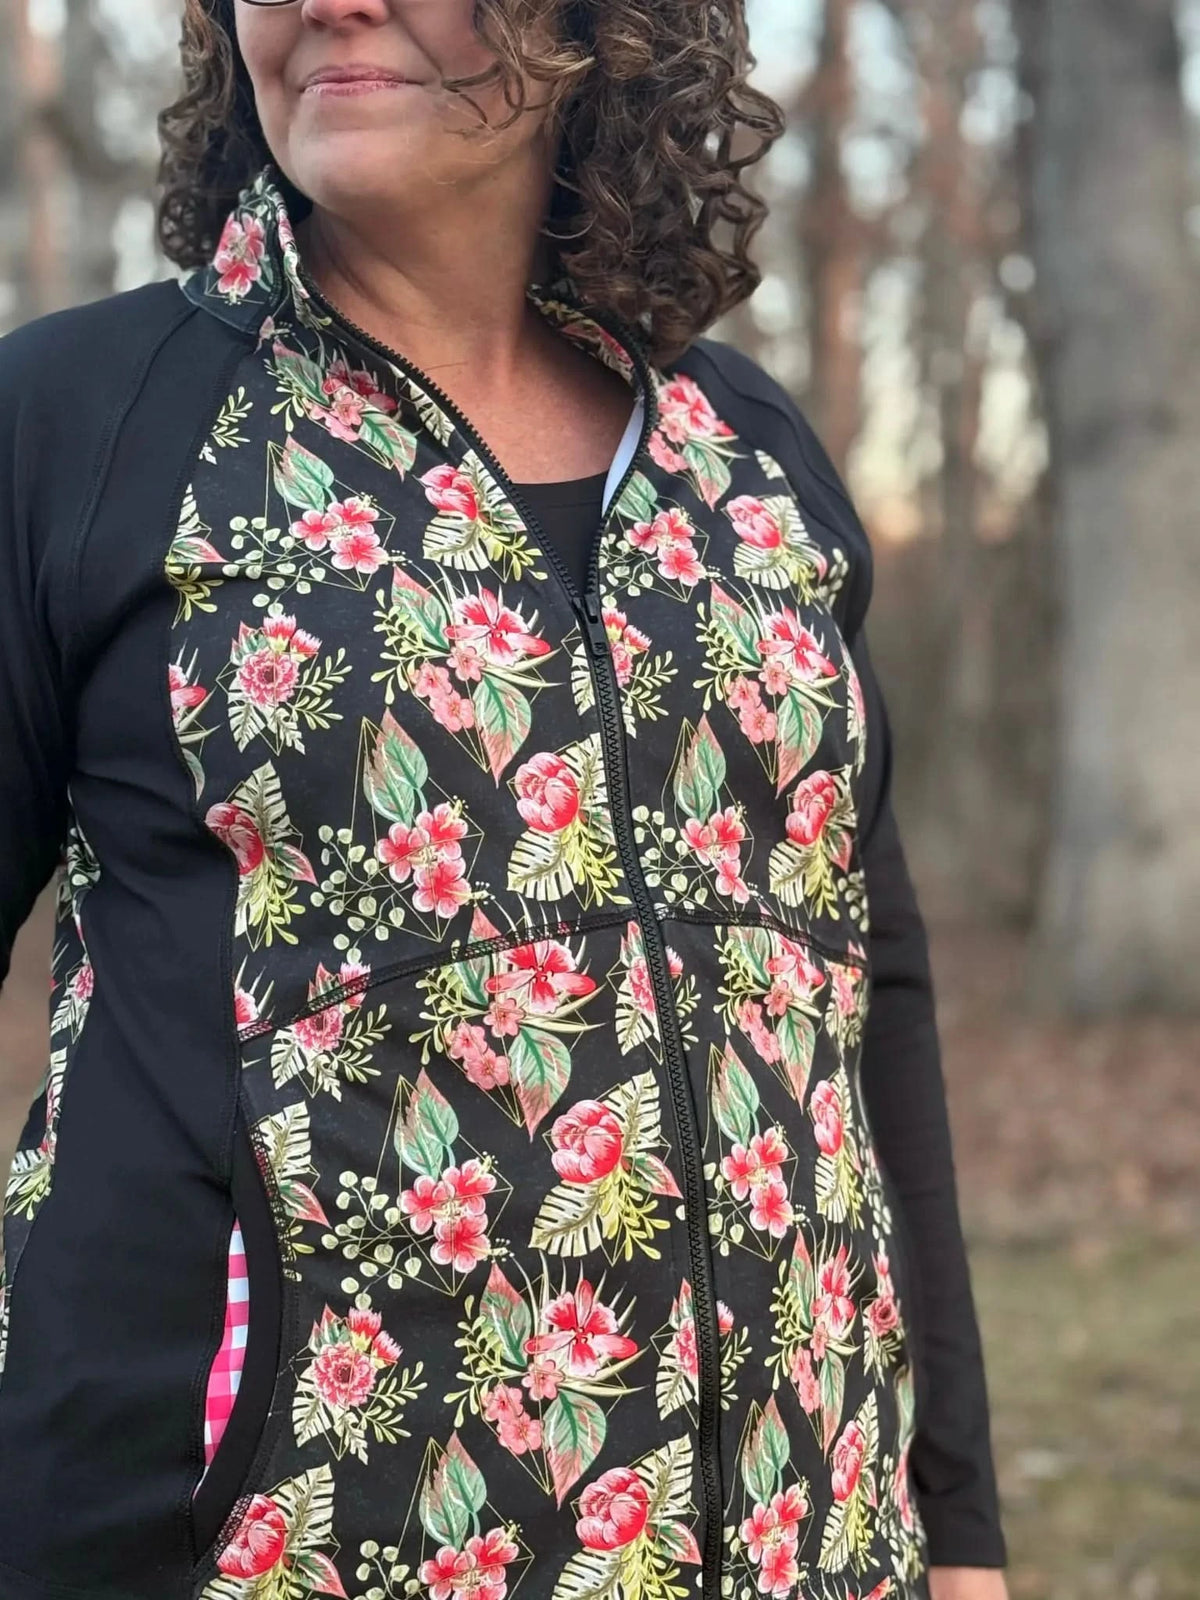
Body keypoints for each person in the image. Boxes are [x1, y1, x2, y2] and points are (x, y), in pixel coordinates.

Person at [0, 3, 1009, 1598]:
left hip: (803, 1540)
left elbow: (864, 983)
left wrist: (956, 1518)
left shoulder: (745, 456)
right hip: (245, 1546)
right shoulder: (76, 427)